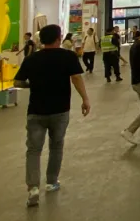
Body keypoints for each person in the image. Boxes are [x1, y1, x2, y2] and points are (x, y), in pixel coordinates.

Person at [13, 24, 90, 207]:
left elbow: (17, 82)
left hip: (36, 111)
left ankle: (33, 188)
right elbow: (76, 78)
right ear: (58, 38)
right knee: (56, 146)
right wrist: (85, 99)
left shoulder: (32, 58)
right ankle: (51, 182)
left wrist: (33, 85)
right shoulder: (68, 56)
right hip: (60, 110)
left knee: (33, 150)